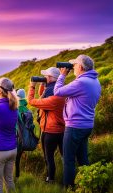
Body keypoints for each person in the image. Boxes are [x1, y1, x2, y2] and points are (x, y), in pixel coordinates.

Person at [54, 55, 101, 187]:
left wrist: (62, 75)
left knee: (68, 160)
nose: (73, 68)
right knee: (82, 158)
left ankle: (69, 188)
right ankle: (87, 184)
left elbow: (57, 91)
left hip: (75, 126)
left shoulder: (81, 82)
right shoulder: (94, 81)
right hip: (86, 125)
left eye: (74, 65)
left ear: (80, 67)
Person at [27, 67, 65, 183]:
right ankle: (67, 177)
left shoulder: (52, 98)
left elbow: (31, 100)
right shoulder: (61, 90)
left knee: (49, 158)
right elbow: (41, 94)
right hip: (62, 129)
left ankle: (51, 179)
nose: (45, 78)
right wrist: (44, 83)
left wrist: (32, 85)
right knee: (65, 157)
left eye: (47, 76)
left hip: (49, 131)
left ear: (51, 78)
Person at [15, 88, 28, 179]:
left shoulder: (17, 108)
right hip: (24, 136)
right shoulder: (26, 108)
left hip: (17, 136)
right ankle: (17, 176)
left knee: (15, 159)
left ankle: (16, 176)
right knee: (18, 158)